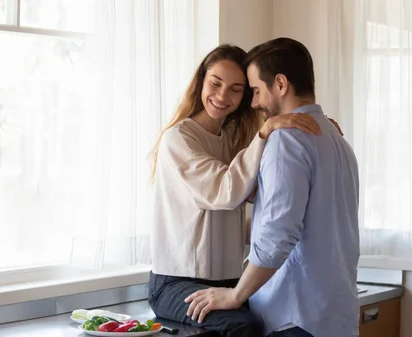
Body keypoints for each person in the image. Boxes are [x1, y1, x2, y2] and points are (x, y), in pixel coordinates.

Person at [185, 38, 360, 337]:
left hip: (293, 317)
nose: (253, 103)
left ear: (280, 84)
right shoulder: (337, 139)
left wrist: (235, 295)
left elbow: (277, 236)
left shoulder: (286, 141)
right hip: (335, 317)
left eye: (255, 91)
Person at [147, 44, 325, 337]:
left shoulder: (229, 140)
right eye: (215, 84)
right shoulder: (178, 139)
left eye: (235, 89)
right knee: (244, 326)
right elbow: (225, 192)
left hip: (226, 280)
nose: (221, 96)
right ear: (201, 81)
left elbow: (257, 193)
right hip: (176, 282)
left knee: (279, 320)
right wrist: (266, 130)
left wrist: (314, 130)